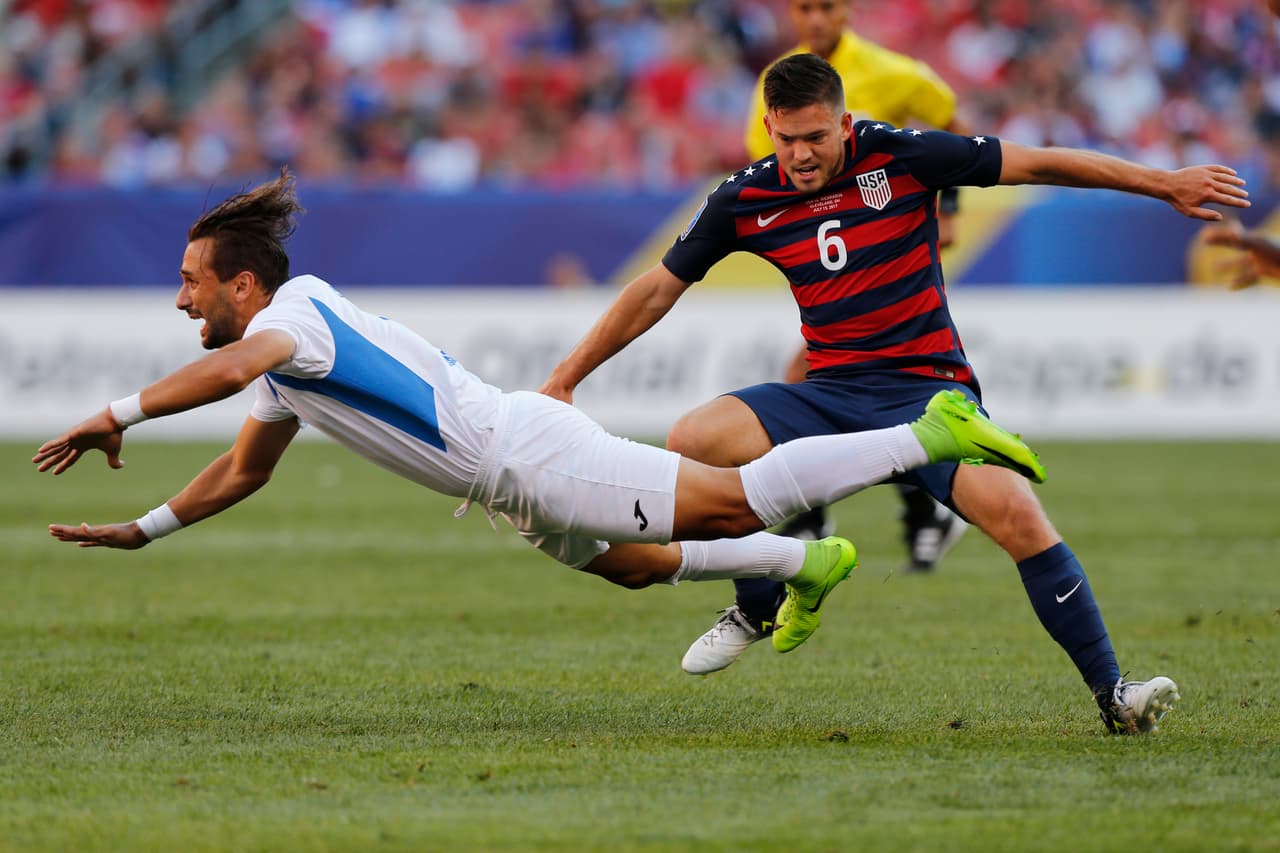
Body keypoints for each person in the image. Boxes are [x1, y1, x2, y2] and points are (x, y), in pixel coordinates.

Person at [32, 168, 1048, 660]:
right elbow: (244, 469)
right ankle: (801, 566)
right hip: (508, 480)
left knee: (732, 505)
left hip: (523, 452)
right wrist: (147, 526)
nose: (179, 299)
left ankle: (926, 434)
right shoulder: (285, 355)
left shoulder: (291, 323)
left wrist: (115, 411)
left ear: (242, 286)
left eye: (190, 283)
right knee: (633, 565)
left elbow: (219, 376)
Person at [540, 54, 1250, 731]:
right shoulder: (745, 196)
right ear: (769, 130)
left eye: (815, 137)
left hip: (928, 392)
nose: (801, 155)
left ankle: (1114, 695)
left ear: (843, 125)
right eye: (786, 140)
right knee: (694, 440)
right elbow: (656, 289)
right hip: (830, 391)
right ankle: (757, 604)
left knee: (1017, 516)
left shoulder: (904, 156)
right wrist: (565, 378)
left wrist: (1164, 183)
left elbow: (1040, 162)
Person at [743, 0, 977, 585]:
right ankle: (926, 512)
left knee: (823, 382)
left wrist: (946, 204)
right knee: (864, 393)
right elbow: (767, 167)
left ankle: (808, 517)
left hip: (886, 252)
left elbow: (952, 124)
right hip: (825, 260)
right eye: (804, 8)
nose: (815, 19)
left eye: (826, 7)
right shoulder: (775, 85)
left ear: (845, 11)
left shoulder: (891, 72)